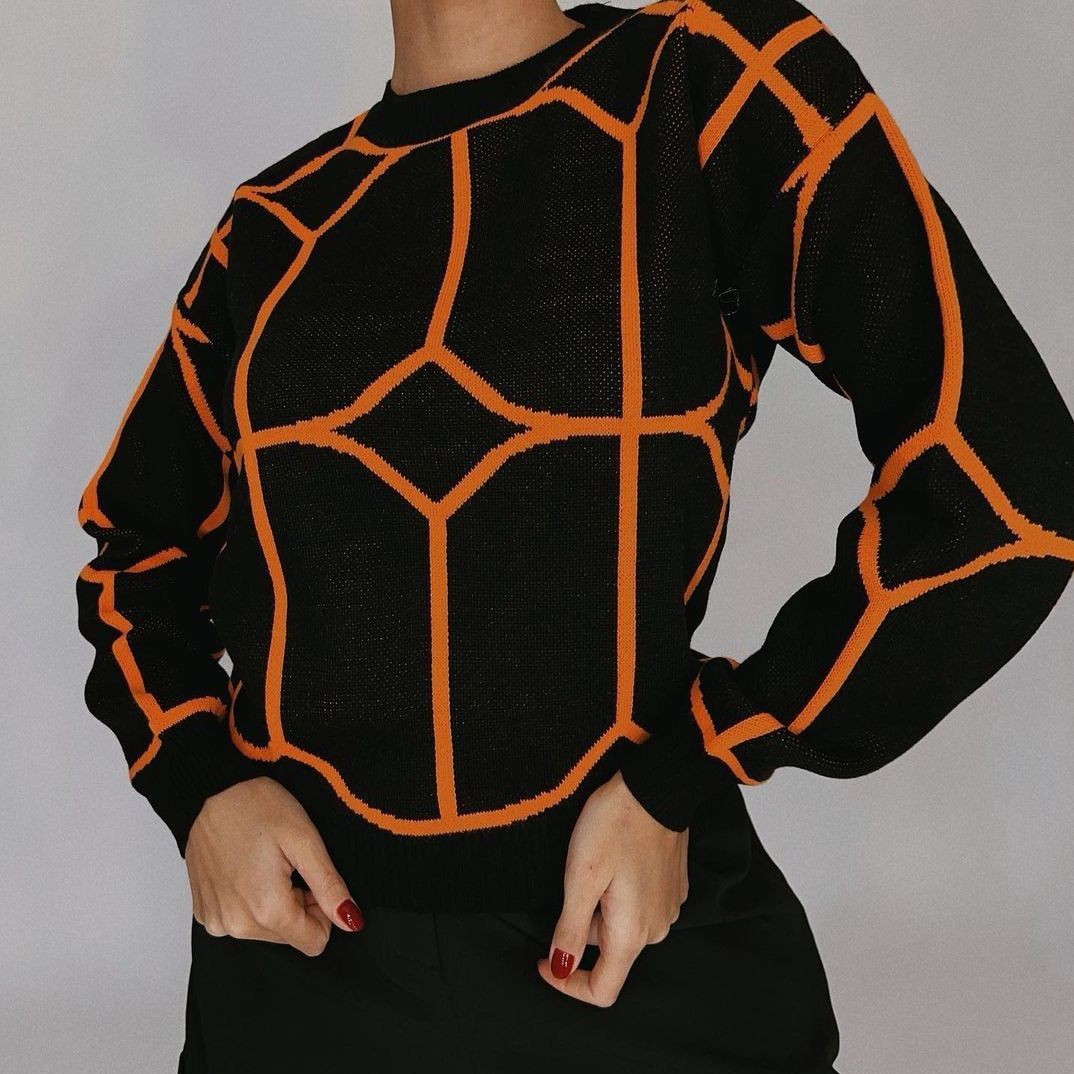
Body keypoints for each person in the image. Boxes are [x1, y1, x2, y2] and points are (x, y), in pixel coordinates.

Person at [74, 1, 1074, 1071]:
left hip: (630, 959)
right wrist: (199, 784)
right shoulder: (275, 223)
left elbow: (1004, 492)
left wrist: (697, 760)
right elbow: (137, 553)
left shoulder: (696, 86)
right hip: (300, 981)